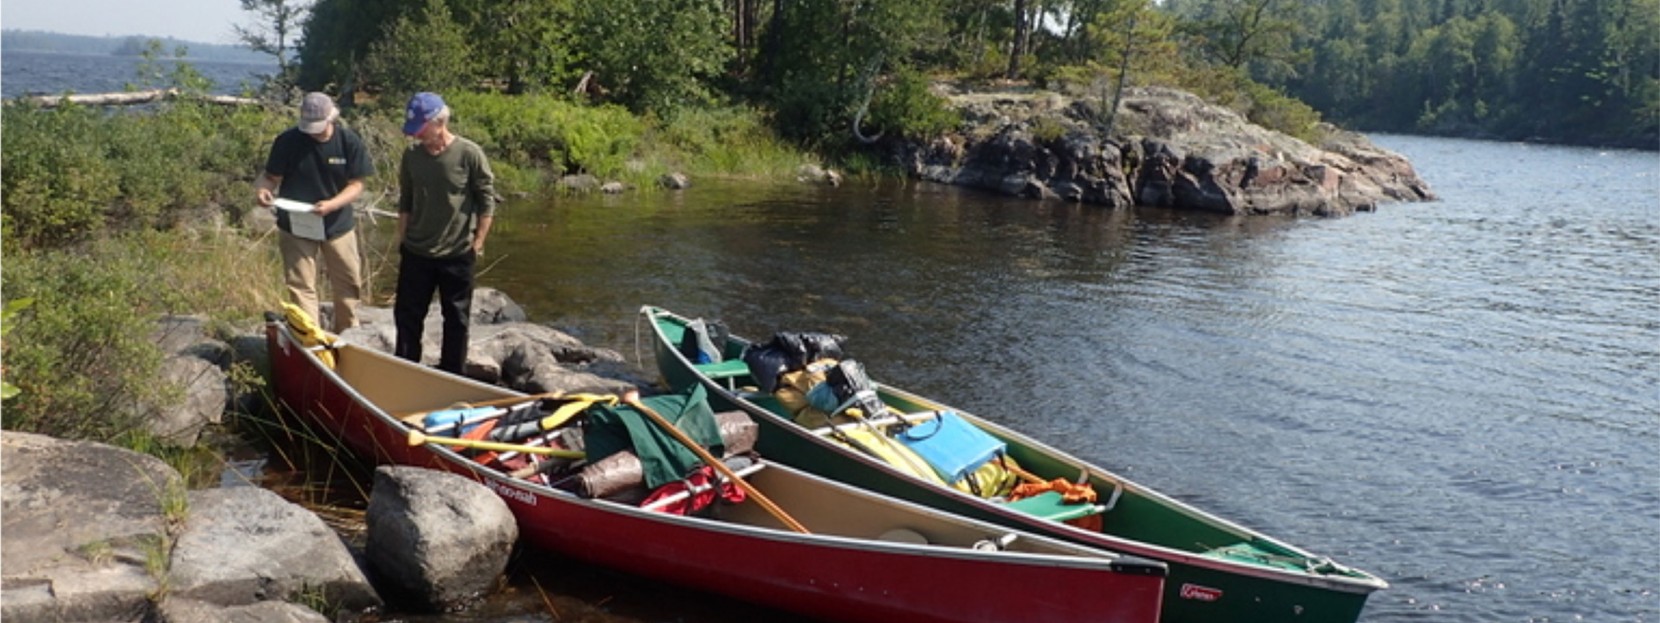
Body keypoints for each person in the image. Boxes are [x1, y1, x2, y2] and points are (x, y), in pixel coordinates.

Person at [393, 91, 497, 374]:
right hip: (416, 251)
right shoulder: (411, 156)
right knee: (407, 316)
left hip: (457, 253)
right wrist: (401, 238)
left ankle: (452, 373)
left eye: (420, 128)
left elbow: (487, 200)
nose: (416, 136)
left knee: (456, 319)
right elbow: (406, 199)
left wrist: (478, 242)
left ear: (439, 123)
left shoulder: (468, 154)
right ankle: (405, 370)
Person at [255, 91, 373, 333]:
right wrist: (264, 190)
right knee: (300, 285)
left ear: (332, 118)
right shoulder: (287, 141)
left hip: (337, 225)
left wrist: (332, 204)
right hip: (296, 224)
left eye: (318, 126)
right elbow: (270, 177)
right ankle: (311, 337)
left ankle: (348, 333)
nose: (313, 131)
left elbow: (357, 185)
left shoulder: (348, 141)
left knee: (348, 283)